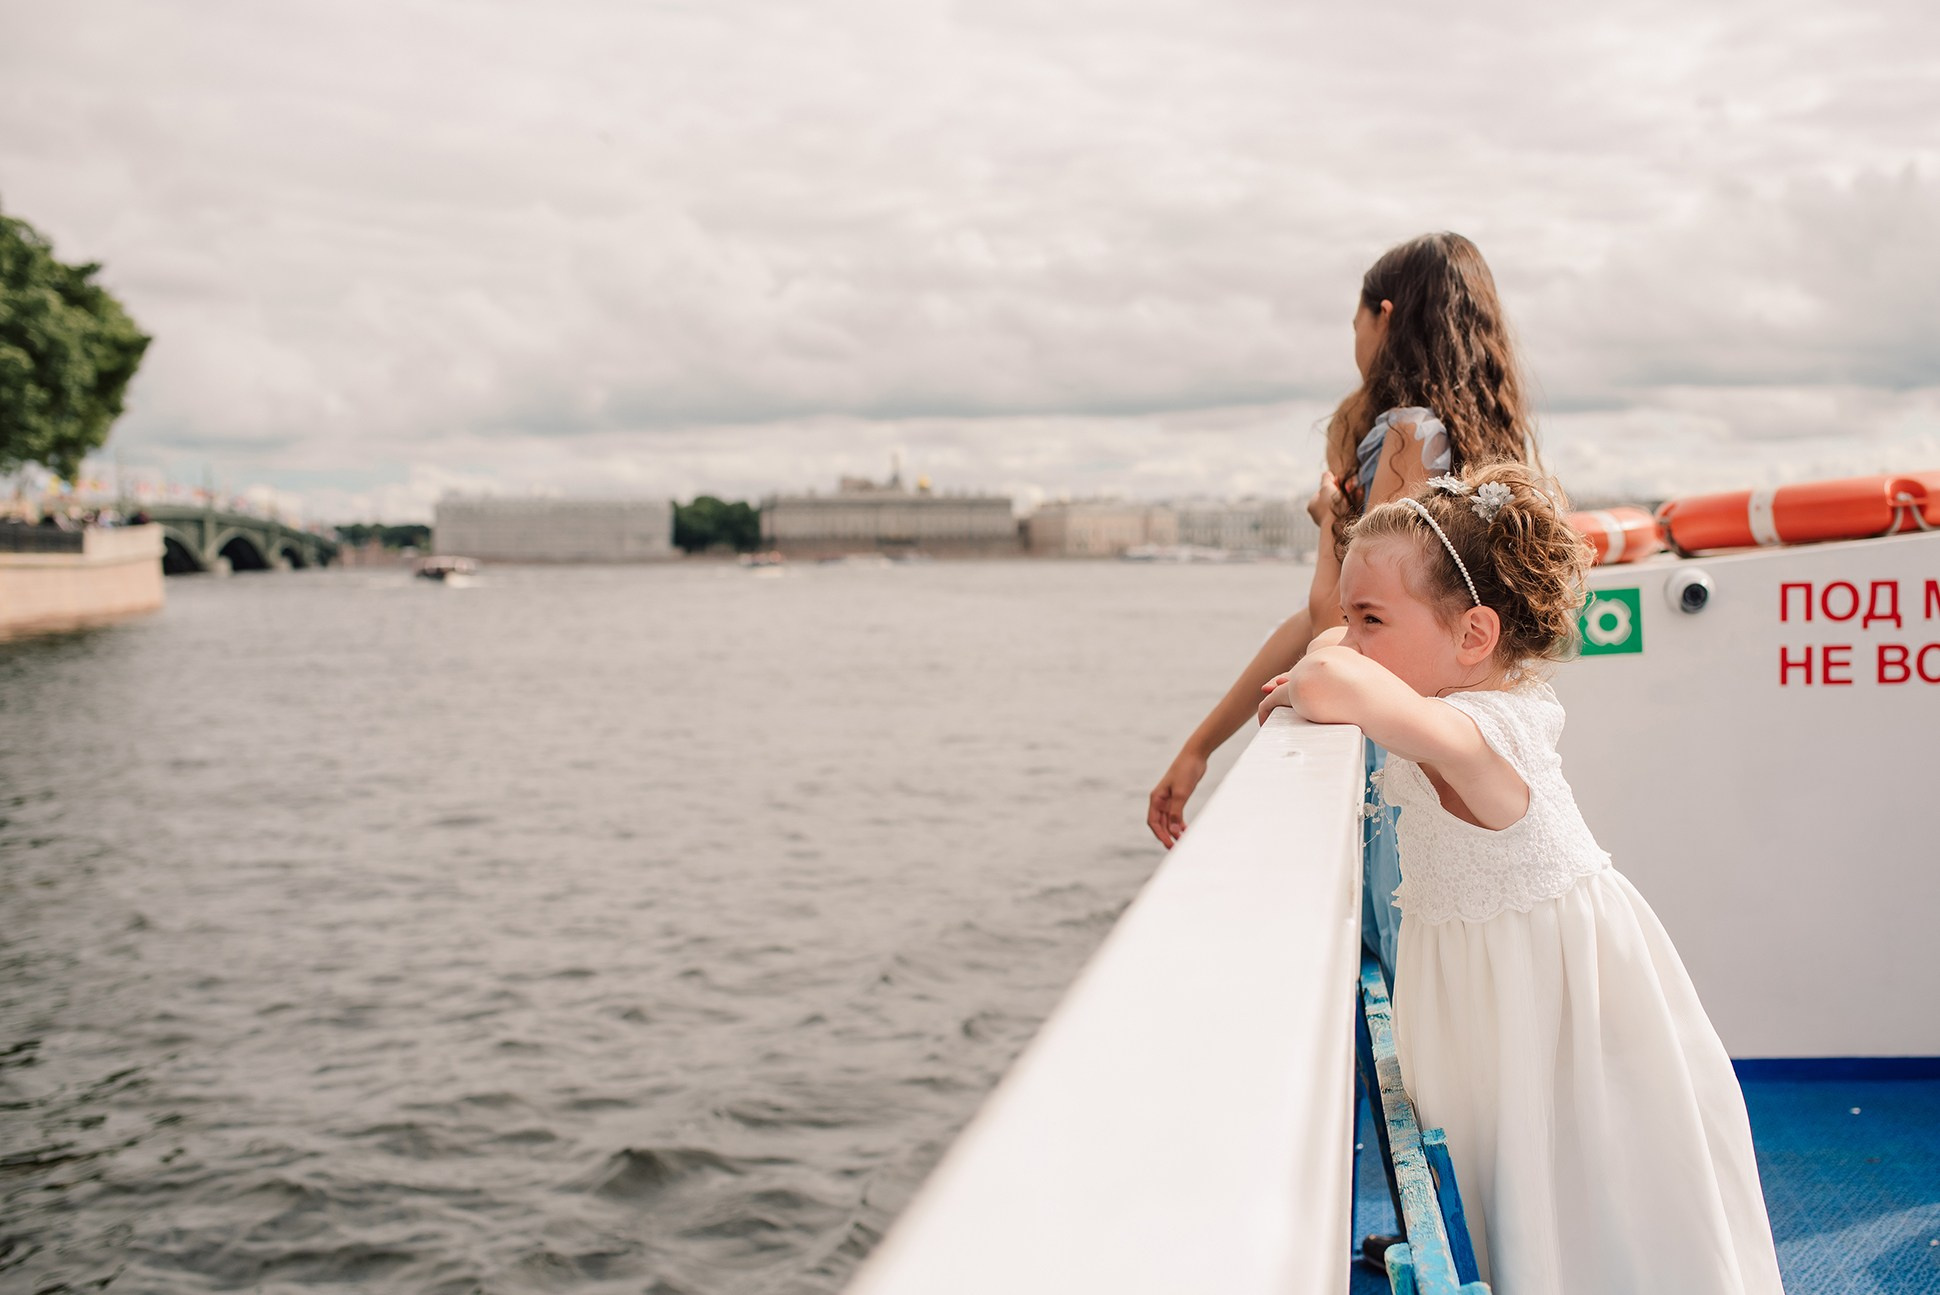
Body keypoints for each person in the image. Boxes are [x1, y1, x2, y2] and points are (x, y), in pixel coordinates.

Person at [1258, 465, 1784, 1294]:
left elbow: (1325, 672)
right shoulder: (1451, 696)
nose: (1352, 637)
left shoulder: (1482, 731)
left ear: (1472, 636)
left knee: (1587, 1195)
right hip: (1489, 987)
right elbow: (1330, 651)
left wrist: (1322, 665)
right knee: (1506, 1183)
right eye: (1356, 618)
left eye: (1373, 619)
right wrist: (1343, 638)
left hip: (1551, 998)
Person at [1145, 230, 1537, 983]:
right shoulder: (1467, 433)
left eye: (1356, 324)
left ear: (1383, 317)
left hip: (1402, 744)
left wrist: (1331, 524)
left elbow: (1335, 619)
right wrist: (1202, 744)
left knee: (1402, 962)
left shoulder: (1405, 434)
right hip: (1450, 722)